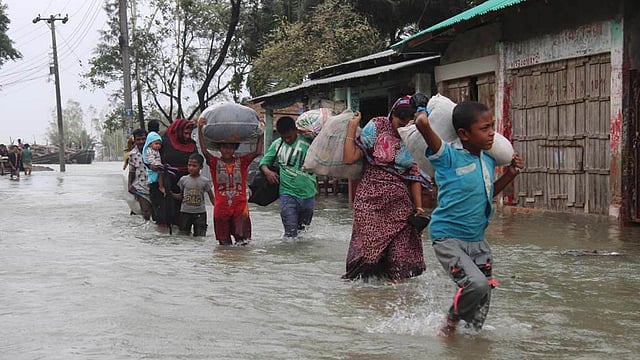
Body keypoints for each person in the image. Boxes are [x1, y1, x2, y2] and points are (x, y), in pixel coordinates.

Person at [415, 100, 524, 337]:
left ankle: (470, 344)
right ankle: (450, 320)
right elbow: (422, 124)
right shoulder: (448, 157)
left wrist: (510, 175)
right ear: (464, 133)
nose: (491, 133)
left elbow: (486, 192)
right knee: (476, 284)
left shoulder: (488, 159)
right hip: (448, 239)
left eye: (492, 126)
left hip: (477, 241)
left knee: (482, 305)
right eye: (484, 128)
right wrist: (421, 107)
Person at [342, 96, 427, 282]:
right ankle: (371, 302)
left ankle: (397, 300)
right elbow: (349, 158)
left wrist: (419, 208)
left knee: (399, 258)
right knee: (370, 258)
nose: (403, 124)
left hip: (400, 206)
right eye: (400, 119)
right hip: (370, 203)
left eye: (409, 120)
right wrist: (351, 127)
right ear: (392, 115)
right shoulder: (377, 126)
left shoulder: (414, 135)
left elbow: (414, 175)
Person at [197, 117, 263, 245]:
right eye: (224, 147)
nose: (228, 150)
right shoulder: (214, 162)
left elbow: (257, 151)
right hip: (221, 207)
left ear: (235, 149)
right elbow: (204, 151)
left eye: (231, 147)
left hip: (240, 206)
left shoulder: (242, 162)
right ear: (219, 148)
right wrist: (200, 129)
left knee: (243, 242)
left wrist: (261, 133)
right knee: (224, 243)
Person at [260, 116, 317, 238]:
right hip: (287, 194)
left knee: (303, 235)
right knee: (290, 234)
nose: (286, 140)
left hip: (309, 194)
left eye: (289, 137)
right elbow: (264, 163)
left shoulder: (309, 141)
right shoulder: (277, 145)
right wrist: (268, 172)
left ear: (296, 130)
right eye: (283, 137)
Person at [161, 119, 197, 226]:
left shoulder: (192, 144)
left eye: (189, 133)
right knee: (167, 215)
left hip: (187, 183)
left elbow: (198, 161)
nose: (188, 135)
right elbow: (154, 160)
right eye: (186, 132)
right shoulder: (165, 142)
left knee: (185, 216)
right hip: (168, 181)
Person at [171, 153, 215, 236]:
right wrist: (170, 194)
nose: (191, 168)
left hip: (200, 214)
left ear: (201, 167)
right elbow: (181, 196)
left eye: (194, 166)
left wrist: (218, 209)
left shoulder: (205, 181)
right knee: (183, 235)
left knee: (200, 236)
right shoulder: (183, 180)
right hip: (185, 212)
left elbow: (212, 198)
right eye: (189, 165)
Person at [127, 128, 153, 221]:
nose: (141, 141)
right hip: (141, 187)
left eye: (143, 139)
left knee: (156, 215)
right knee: (146, 212)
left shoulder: (153, 150)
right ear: (135, 140)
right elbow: (131, 171)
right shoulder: (132, 154)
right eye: (138, 139)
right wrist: (129, 185)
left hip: (154, 186)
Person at [143, 131, 166, 224]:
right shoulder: (149, 151)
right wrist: (158, 165)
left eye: (159, 144)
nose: (158, 146)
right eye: (156, 144)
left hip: (157, 170)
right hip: (154, 172)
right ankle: (161, 186)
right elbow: (150, 160)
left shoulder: (156, 151)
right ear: (150, 143)